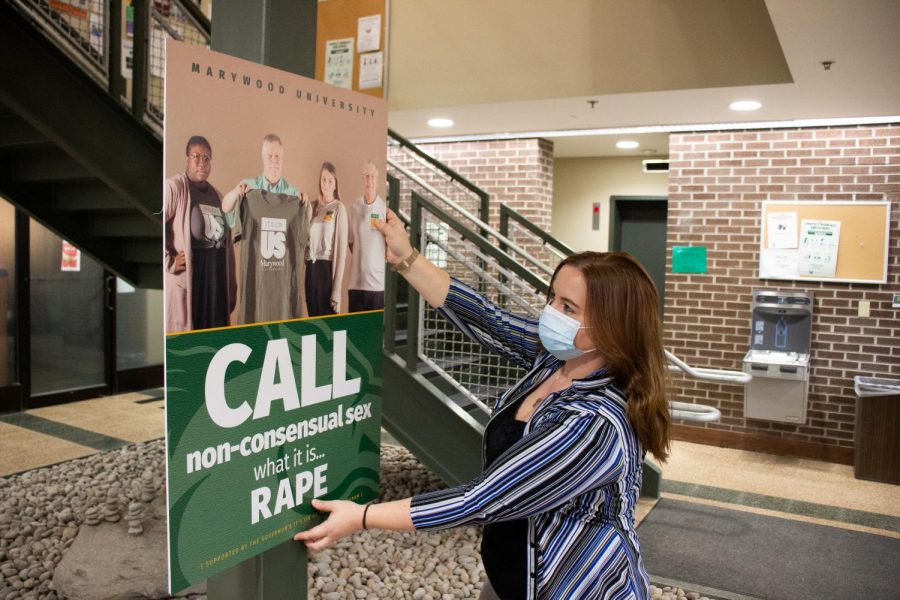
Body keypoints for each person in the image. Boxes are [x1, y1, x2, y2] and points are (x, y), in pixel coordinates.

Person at [295, 208, 671, 600]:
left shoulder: (597, 424)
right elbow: (489, 319)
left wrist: (364, 516)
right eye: (552, 298)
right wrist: (407, 259)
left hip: (573, 586)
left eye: (568, 308)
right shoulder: (557, 361)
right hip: (511, 575)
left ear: (612, 328)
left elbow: (483, 498)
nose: (550, 314)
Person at [221, 134, 310, 324]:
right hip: (257, 288)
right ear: (262, 157)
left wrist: (305, 206)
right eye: (270, 156)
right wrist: (237, 192)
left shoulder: (294, 195)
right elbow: (225, 207)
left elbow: (303, 235)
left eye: (277, 156)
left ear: (283, 158)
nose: (274, 161)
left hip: (283, 291)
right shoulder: (248, 190)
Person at [163, 135, 235, 332]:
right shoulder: (174, 188)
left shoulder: (218, 197)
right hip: (192, 280)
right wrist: (168, 260)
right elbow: (152, 223)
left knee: (213, 341)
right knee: (190, 347)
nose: (202, 163)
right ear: (187, 159)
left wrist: (231, 287)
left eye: (207, 158)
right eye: (197, 157)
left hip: (215, 280)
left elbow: (228, 246)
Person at [305, 162, 348, 316]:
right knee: (313, 322)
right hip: (311, 269)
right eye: (323, 179)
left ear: (335, 184)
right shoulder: (314, 207)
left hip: (326, 271)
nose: (326, 184)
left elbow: (342, 255)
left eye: (330, 181)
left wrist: (336, 291)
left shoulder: (338, 208)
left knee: (327, 326)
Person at [347, 161, 386, 312]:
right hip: (356, 284)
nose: (369, 180)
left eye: (372, 176)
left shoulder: (384, 208)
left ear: (377, 179)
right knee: (355, 332)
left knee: (372, 333)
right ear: (362, 179)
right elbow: (351, 242)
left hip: (377, 285)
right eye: (366, 176)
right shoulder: (355, 206)